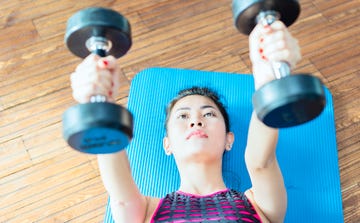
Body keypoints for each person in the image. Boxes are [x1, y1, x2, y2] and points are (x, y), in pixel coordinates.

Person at [70, 20, 301, 223]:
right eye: (183, 116)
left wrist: (267, 84)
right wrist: (100, 106)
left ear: (229, 139)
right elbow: (119, 197)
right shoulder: (146, 211)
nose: (196, 121)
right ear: (167, 144)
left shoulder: (258, 205)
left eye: (209, 113)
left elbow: (261, 162)